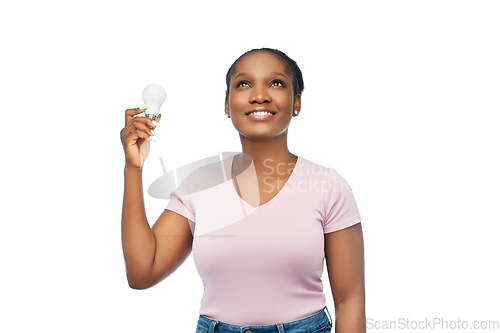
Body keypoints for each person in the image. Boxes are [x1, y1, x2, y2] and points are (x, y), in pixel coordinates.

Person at [120, 48, 366, 333]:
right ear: (227, 105)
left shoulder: (328, 186)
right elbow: (142, 273)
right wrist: (133, 169)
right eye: (244, 84)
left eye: (275, 83)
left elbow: (350, 301)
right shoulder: (199, 184)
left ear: (296, 102)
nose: (259, 95)